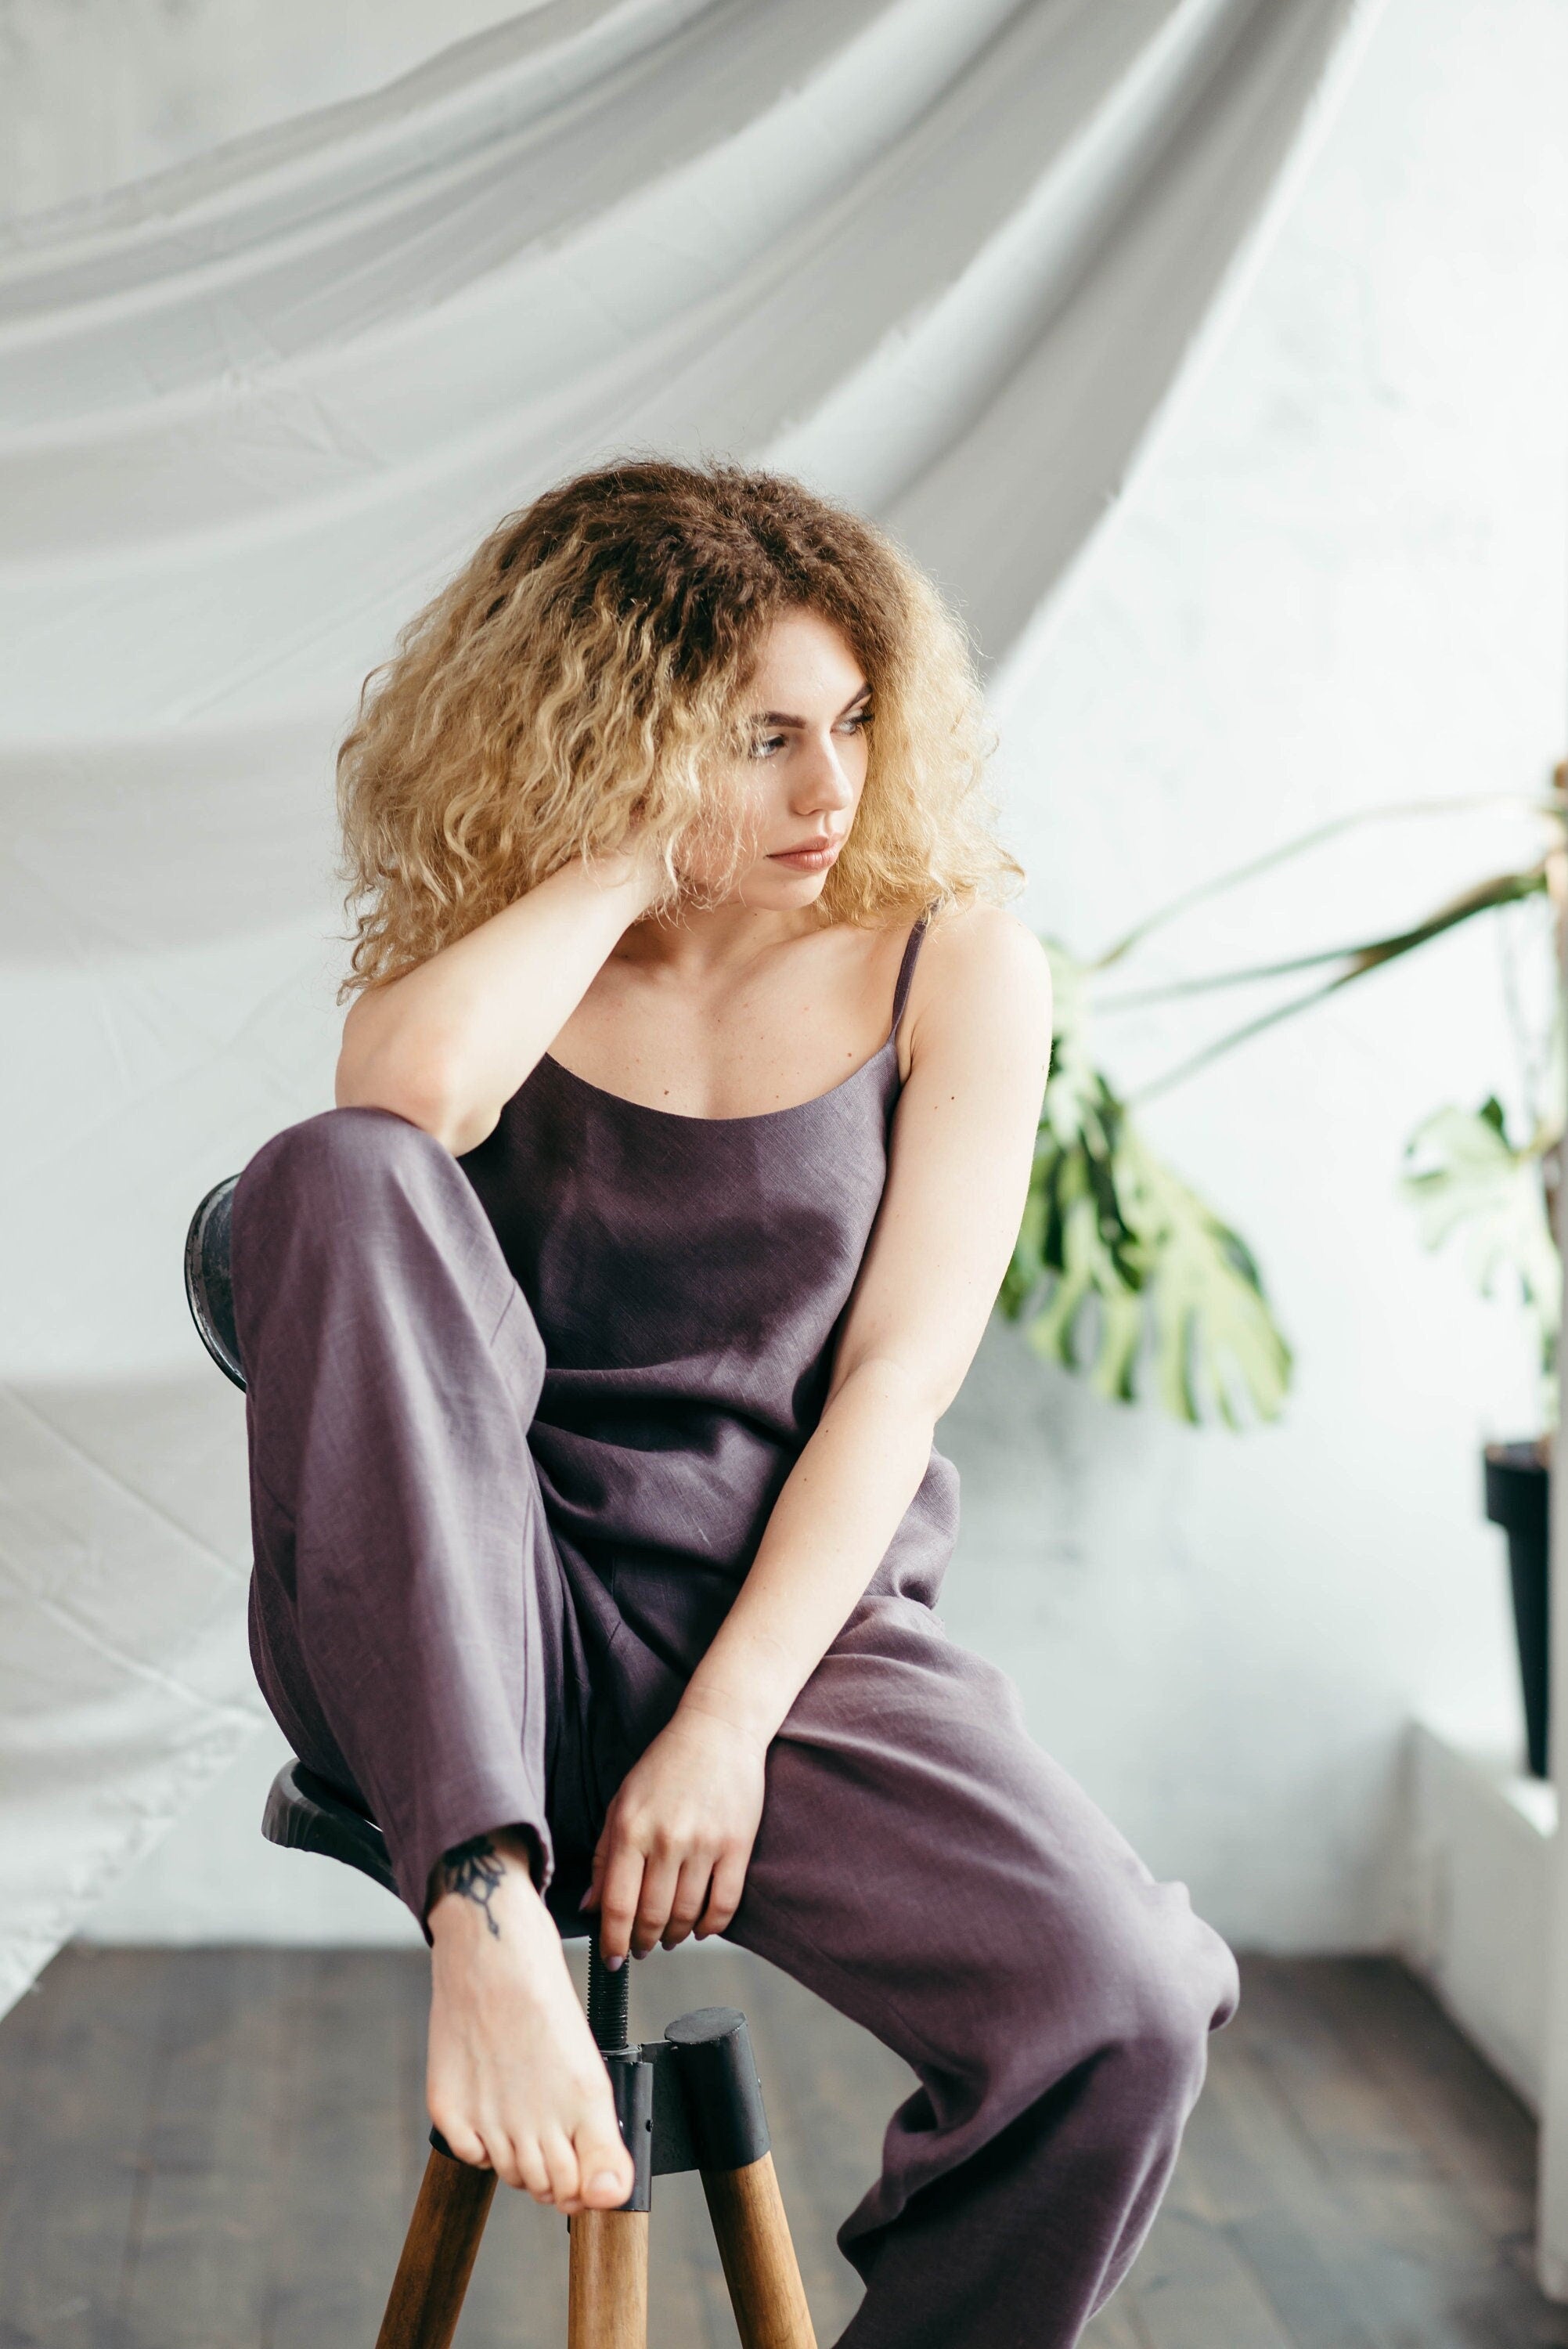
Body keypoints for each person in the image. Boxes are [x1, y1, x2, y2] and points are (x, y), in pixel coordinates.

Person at [229, 458, 1237, 2349]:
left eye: (854, 721)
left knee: (1125, 2002)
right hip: (467, 1615)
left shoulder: (951, 962)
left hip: (792, 1634)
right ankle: (486, 1907)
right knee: (338, 1175)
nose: (831, 787)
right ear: (630, 727)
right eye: (760, 733)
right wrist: (622, 850)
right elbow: (397, 1113)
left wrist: (728, 1730)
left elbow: (894, 1380)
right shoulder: (522, 966)